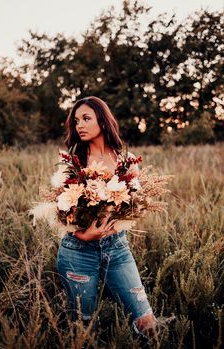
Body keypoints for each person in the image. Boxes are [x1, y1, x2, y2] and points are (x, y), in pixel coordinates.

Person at [56, 96, 156, 336]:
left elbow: (136, 207)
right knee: (85, 327)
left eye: (86, 118)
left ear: (102, 120)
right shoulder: (72, 164)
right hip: (78, 251)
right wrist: (83, 234)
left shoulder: (126, 162)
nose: (79, 125)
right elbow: (59, 211)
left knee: (147, 323)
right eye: (76, 120)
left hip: (118, 249)